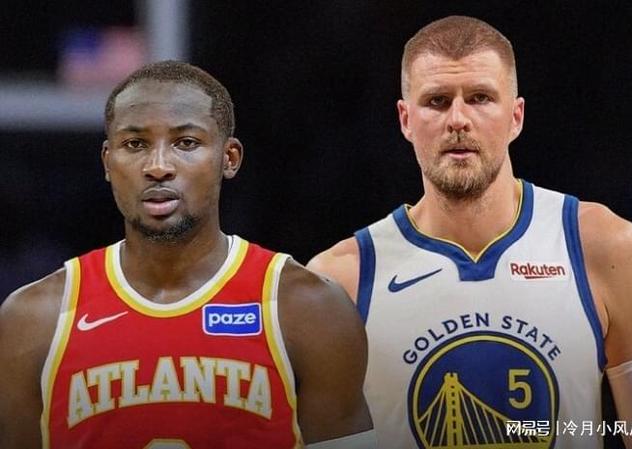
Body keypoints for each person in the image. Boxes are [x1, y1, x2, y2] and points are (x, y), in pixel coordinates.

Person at [308, 16, 632, 449]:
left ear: (516, 117)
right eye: (437, 101)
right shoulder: (340, 282)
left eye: (480, 98)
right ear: (405, 119)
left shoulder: (604, 248)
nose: (458, 119)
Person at [0, 61, 375, 449]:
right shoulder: (34, 319)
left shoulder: (309, 309)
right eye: (135, 144)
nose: (158, 167)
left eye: (186, 143)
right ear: (107, 162)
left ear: (229, 158)